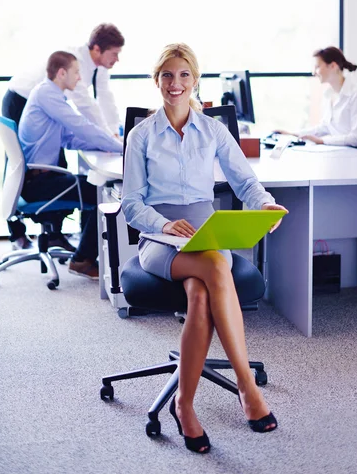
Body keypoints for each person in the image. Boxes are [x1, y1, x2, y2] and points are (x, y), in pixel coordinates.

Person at [121, 43, 288, 454]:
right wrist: (163, 224)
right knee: (215, 267)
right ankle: (247, 389)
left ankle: (185, 404)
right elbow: (130, 204)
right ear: (156, 80)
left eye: (183, 76)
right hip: (161, 238)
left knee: (200, 295)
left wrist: (263, 204)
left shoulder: (212, 129)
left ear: (195, 80)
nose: (174, 84)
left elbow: (244, 181)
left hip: (205, 232)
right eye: (166, 76)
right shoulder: (141, 135)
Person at [2, 23, 125, 249]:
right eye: (115, 53)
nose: (117, 59)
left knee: (60, 163)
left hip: (44, 116)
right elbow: (83, 115)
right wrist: (117, 144)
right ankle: (22, 232)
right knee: (97, 190)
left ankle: (54, 234)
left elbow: (101, 103)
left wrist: (112, 136)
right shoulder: (66, 70)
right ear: (97, 49)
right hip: (19, 97)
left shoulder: (64, 86)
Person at [19, 50, 123, 280]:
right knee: (102, 195)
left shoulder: (48, 94)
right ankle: (82, 260)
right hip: (38, 182)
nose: (79, 78)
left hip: (38, 178)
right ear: (62, 72)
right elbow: (81, 126)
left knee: (94, 187)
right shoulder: (48, 94)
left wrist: (103, 145)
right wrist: (122, 147)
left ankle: (86, 255)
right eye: (76, 72)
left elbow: (70, 137)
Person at [277, 46, 357, 152]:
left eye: (317, 67)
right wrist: (294, 134)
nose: (314, 72)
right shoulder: (328, 94)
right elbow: (325, 127)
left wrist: (322, 141)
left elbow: (356, 139)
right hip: (345, 149)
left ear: (333, 66)